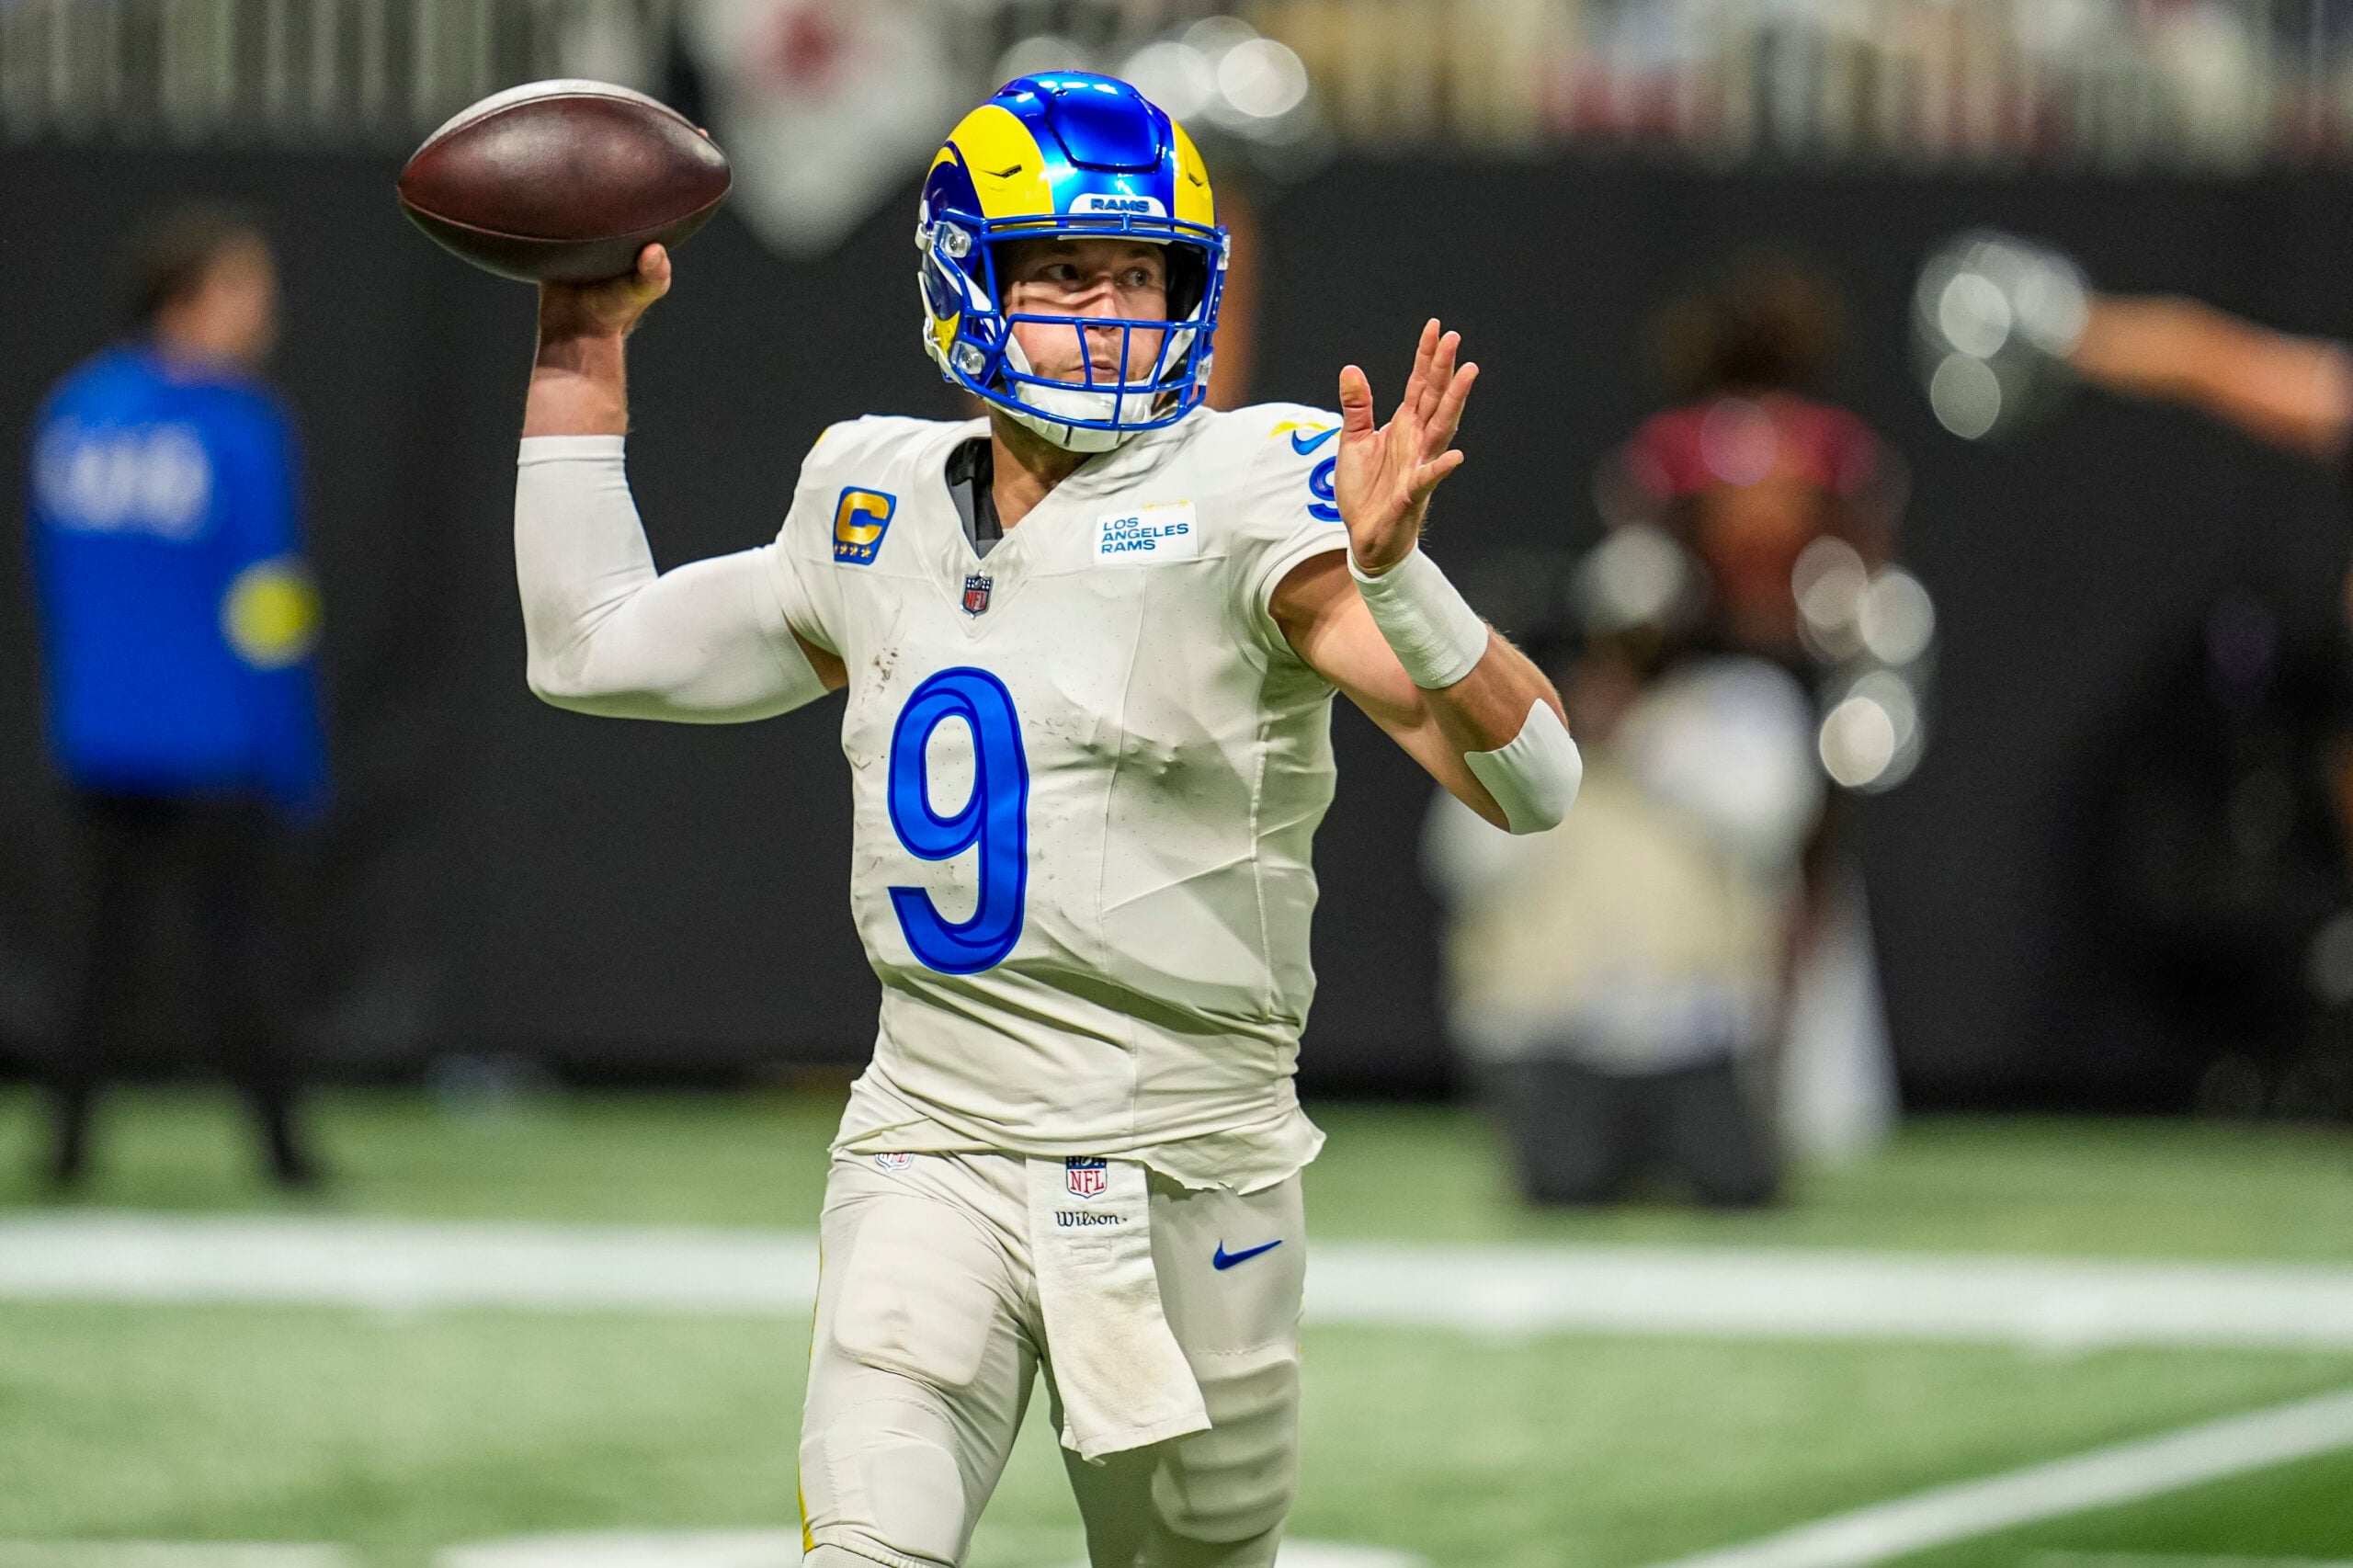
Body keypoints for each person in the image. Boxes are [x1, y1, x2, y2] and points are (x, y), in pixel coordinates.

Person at [511, 73, 1578, 1568]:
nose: (1108, 306)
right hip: (931, 1138)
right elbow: (589, 645)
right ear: (969, 274)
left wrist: (1400, 574)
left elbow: (1538, 787)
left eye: (1140, 273)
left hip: (1188, 1160)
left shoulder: (1250, 492)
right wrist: (578, 337)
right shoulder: (870, 496)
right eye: (1067, 269)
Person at [24, 206, 328, 1190]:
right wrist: (291, 748)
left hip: (97, 734)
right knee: (240, 957)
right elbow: (269, 602)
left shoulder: (72, 411)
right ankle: (287, 1158)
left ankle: (63, 1154)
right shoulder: (239, 427)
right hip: (214, 740)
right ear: (190, 297)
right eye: (247, 287)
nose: (266, 310)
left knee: (92, 963)